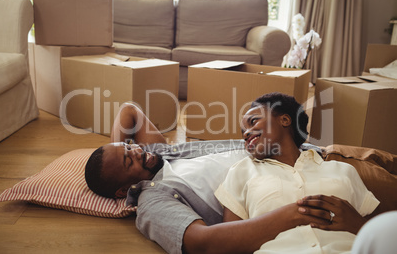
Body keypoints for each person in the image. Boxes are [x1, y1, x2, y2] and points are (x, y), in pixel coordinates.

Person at [84, 98, 374, 254]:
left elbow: (129, 110)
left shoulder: (162, 153)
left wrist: (124, 152)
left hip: (314, 160)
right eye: (127, 160)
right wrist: (294, 214)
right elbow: (202, 242)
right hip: (297, 198)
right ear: (124, 190)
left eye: (130, 145)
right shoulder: (153, 200)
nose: (135, 151)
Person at [214, 92, 380, 253]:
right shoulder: (241, 171)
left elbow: (384, 232)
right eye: (243, 132)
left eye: (253, 121)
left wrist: (357, 224)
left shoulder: (343, 170)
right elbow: (229, 243)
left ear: (284, 120)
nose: (246, 134)